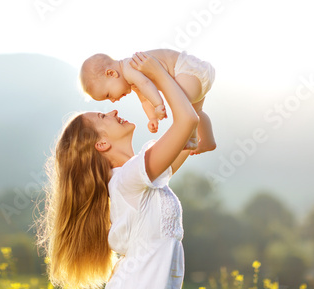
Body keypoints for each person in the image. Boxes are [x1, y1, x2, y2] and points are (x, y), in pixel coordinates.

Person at [36, 53, 199, 288]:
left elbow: (194, 135)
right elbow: (187, 120)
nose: (113, 111)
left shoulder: (136, 176)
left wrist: (188, 78)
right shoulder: (129, 178)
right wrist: (157, 74)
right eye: (103, 116)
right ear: (101, 144)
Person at [80, 49, 216, 155]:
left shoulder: (129, 66)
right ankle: (208, 140)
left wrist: (158, 104)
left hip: (187, 70)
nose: (113, 100)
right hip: (194, 75)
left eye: (108, 95)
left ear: (111, 73)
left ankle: (191, 137)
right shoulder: (132, 80)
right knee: (196, 111)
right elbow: (144, 100)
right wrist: (152, 117)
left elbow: (145, 83)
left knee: (180, 103)